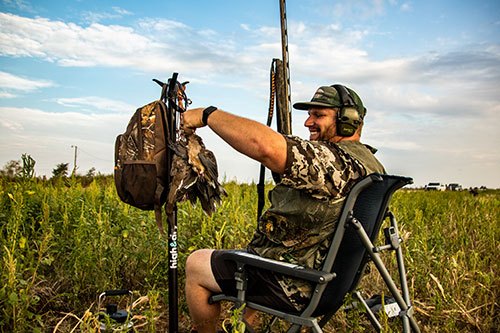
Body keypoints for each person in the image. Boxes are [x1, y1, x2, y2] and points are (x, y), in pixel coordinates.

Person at [182, 84, 385, 332]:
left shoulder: (334, 163)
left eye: (319, 115)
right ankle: (245, 323)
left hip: (298, 285)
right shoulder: (370, 164)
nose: (308, 122)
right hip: (330, 282)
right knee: (264, 250)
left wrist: (207, 114)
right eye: (309, 114)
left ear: (348, 121)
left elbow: (265, 147)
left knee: (196, 263)